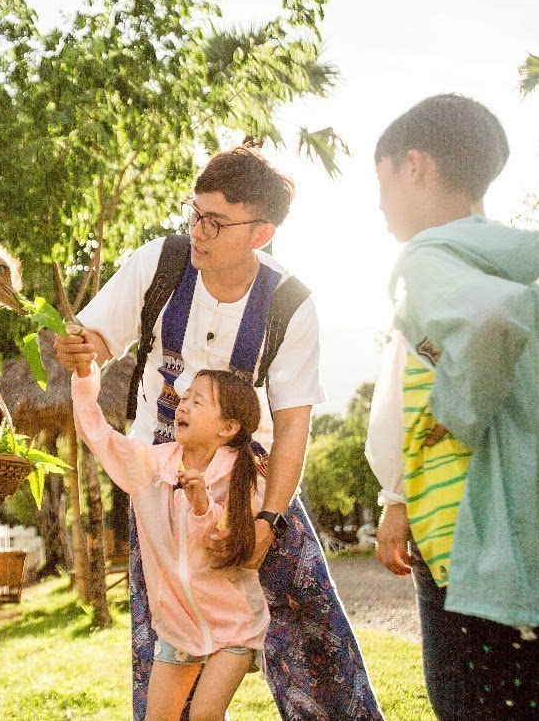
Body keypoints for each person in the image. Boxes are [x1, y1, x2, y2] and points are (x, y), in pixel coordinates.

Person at [55, 146, 382, 720]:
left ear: (261, 233)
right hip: (161, 477)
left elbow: (291, 425)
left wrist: (269, 520)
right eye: (194, 214)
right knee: (167, 625)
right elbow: (99, 340)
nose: (198, 232)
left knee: (311, 623)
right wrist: (83, 349)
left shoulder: (290, 304)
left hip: (247, 477)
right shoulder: (159, 263)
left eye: (217, 222)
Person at [365, 94, 539, 720]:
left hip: (467, 541)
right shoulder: (503, 264)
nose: (378, 204)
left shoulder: (429, 258)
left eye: (381, 181)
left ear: (415, 165)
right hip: (524, 530)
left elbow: (490, 324)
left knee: (470, 702)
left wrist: (456, 412)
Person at [73, 367, 269, 721]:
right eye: (185, 398)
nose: (183, 406)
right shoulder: (150, 466)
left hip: (235, 625)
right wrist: (84, 378)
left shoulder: (242, 477)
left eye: (198, 401)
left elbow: (226, 549)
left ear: (227, 428)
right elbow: (98, 434)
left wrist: (201, 506)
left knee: (204, 716)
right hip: (178, 629)